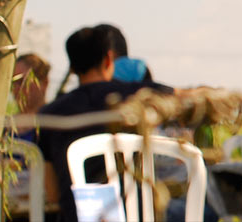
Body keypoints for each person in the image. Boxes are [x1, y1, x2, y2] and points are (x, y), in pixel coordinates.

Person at [37, 24, 174, 222]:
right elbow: (182, 98)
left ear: (73, 68)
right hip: (138, 215)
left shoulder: (49, 114)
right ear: (109, 59)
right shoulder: (139, 97)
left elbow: (51, 193)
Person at [11, 53, 51, 142]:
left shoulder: (53, 124)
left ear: (44, 83)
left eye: (22, 82)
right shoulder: (4, 126)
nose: (16, 88)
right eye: (13, 82)